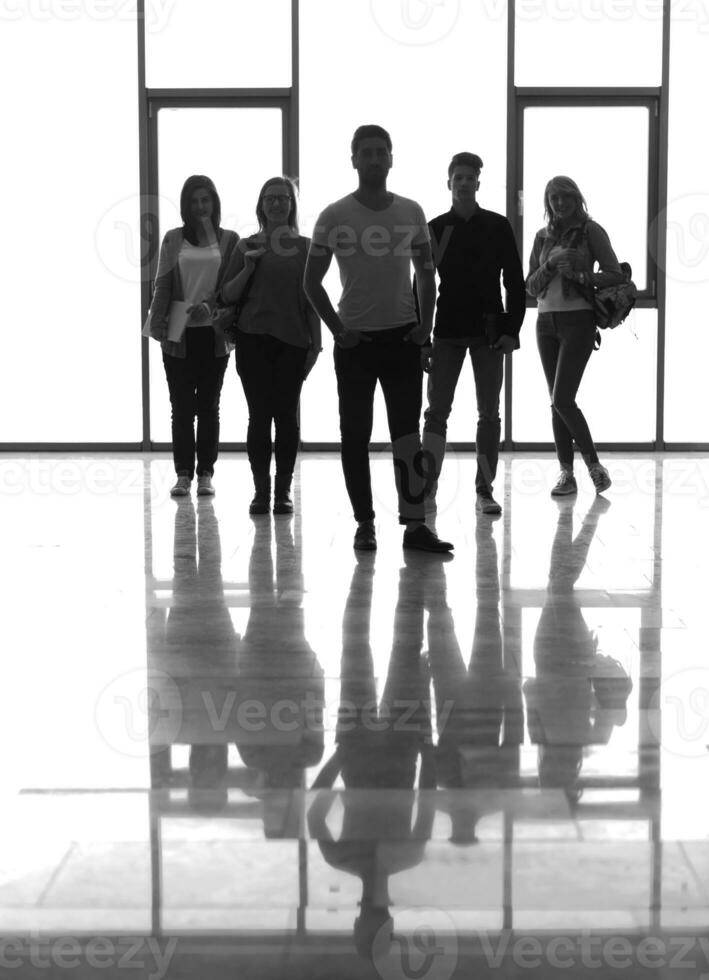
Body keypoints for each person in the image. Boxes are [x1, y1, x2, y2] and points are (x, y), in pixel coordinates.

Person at [304, 124, 453, 553]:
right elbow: (311, 283)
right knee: (355, 434)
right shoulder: (334, 215)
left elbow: (427, 273)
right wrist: (336, 330)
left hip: (402, 340)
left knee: (407, 434)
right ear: (353, 160)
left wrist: (426, 326)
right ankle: (365, 522)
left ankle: (415, 526)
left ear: (391, 158)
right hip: (356, 344)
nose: (373, 159)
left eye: (380, 152)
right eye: (365, 153)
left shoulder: (411, 211)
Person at [422, 152, 526, 516]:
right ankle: (427, 488)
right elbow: (420, 286)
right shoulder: (435, 228)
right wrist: (421, 338)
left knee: (489, 414)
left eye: (470, 177)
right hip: (447, 330)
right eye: (458, 177)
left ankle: (485, 490)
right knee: (436, 413)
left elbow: (514, 281)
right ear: (449, 183)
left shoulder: (497, 226)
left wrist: (513, 330)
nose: (464, 182)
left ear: (478, 183)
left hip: (489, 331)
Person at [220, 176, 322, 515]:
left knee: (287, 418)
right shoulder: (245, 245)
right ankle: (261, 491)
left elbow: (313, 300)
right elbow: (228, 295)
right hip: (252, 340)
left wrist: (316, 346)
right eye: (270, 198)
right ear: (261, 205)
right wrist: (248, 267)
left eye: (283, 198)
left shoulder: (306, 247)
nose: (277, 203)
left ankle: (283, 491)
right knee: (259, 417)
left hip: (293, 341)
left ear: (292, 205)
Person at [526, 176, 624, 497]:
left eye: (565, 196)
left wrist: (582, 275)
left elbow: (615, 273)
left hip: (578, 321)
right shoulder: (542, 237)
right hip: (545, 323)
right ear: (547, 202)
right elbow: (530, 286)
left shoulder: (590, 231)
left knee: (562, 398)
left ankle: (595, 467)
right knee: (556, 402)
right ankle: (566, 475)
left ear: (576, 197)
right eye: (553, 198)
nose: (560, 203)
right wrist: (551, 265)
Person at [147, 175, 239, 497]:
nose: (200, 206)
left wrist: (209, 308)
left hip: (214, 334)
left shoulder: (229, 240)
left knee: (209, 406)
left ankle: (206, 474)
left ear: (214, 203)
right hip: (178, 333)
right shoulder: (173, 239)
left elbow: (233, 290)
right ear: (186, 205)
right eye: (194, 201)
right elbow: (162, 285)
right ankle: (183, 473)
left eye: (206, 200)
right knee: (181, 407)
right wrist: (155, 326)